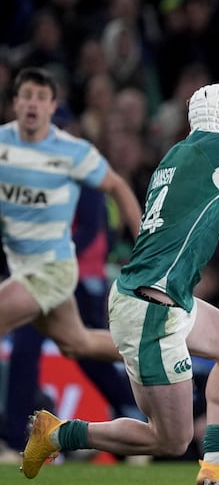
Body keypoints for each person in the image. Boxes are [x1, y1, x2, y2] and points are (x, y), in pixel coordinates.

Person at [20, 83, 219, 485]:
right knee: (170, 440)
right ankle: (58, 434)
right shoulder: (218, 146)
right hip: (151, 310)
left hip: (163, 298)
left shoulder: (177, 153)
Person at [0, 67, 141, 363]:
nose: (33, 103)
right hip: (20, 266)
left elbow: (117, 186)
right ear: (16, 103)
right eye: (26, 96)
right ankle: (153, 354)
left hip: (52, 269)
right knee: (78, 342)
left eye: (41, 97)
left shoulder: (73, 152)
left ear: (52, 106)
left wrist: (144, 246)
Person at [3, 187, 144, 462]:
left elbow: (92, 227)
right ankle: (12, 441)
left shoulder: (79, 170)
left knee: (84, 351)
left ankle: (135, 414)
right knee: (25, 351)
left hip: (79, 277)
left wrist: (51, 257)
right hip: (37, 276)